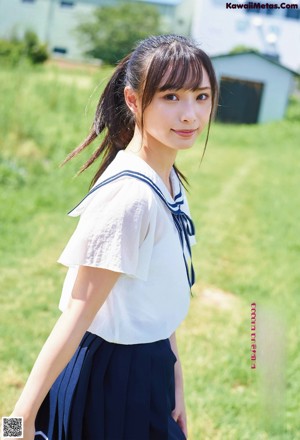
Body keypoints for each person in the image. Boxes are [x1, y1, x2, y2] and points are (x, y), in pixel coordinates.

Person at [9, 34, 218, 440]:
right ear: (134, 101)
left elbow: (156, 297)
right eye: (171, 97)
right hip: (110, 379)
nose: (190, 114)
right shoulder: (130, 198)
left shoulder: (169, 180)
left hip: (150, 366)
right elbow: (78, 314)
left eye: (202, 95)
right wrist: (15, 423)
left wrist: (175, 383)